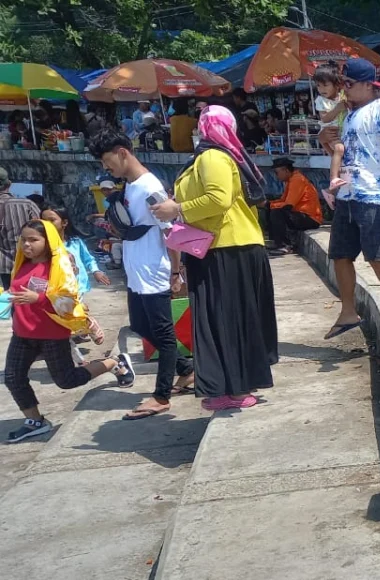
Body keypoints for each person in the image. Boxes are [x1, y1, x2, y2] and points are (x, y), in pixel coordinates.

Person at [148, 105, 277, 410]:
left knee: (228, 320)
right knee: (221, 320)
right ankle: (226, 386)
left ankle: (235, 388)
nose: (196, 130)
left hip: (229, 248)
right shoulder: (210, 156)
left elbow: (218, 199)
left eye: (200, 124)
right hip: (217, 248)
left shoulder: (213, 157)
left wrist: (177, 209)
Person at [88, 129, 197, 418]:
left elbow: (170, 231)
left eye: (106, 160)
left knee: (162, 334)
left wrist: (176, 271)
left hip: (154, 270)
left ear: (123, 152)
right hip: (137, 271)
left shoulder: (150, 188)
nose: (105, 167)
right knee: (139, 324)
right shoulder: (132, 186)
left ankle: (161, 396)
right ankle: (187, 371)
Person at [4, 219, 135, 441]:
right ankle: (35, 420)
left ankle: (114, 362)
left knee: (67, 380)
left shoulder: (59, 267)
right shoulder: (22, 264)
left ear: (48, 242)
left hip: (51, 334)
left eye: (33, 240)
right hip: (22, 334)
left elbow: (68, 300)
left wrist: (39, 298)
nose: (26, 245)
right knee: (13, 377)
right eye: (23, 240)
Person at [323, 57, 380, 339]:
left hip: (375, 195)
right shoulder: (350, 115)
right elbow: (348, 152)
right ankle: (348, 311)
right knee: (340, 255)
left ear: (366, 84)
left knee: (377, 256)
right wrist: (329, 145)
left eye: (348, 84)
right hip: (348, 194)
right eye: (342, 85)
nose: (344, 90)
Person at [40, 206, 110, 347]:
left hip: (76, 286)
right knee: (61, 315)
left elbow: (88, 259)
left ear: (64, 223)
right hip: (54, 287)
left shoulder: (75, 242)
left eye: (52, 220)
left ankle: (87, 324)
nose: (47, 224)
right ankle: (81, 329)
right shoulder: (43, 245)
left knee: (69, 314)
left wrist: (96, 271)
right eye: (43, 220)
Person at [263, 157, 322, 254]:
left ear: (285, 170)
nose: (276, 176)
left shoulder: (297, 180)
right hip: (302, 215)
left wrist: (268, 204)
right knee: (271, 208)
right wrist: (268, 204)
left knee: (277, 212)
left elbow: (288, 205)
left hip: (310, 218)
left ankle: (284, 245)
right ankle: (277, 242)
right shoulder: (291, 180)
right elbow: (283, 200)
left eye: (277, 173)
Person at [0, 167, 41, 289]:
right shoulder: (27, 204)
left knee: (8, 299)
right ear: (9, 184)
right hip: (29, 261)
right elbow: (43, 231)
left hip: (3, 266)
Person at [313, 64, 349, 204]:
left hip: (339, 132)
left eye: (325, 85)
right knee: (339, 150)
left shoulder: (343, 96)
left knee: (340, 157)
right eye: (318, 86)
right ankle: (333, 180)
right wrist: (338, 109)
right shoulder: (320, 101)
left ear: (336, 84)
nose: (322, 89)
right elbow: (325, 118)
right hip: (329, 131)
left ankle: (330, 191)